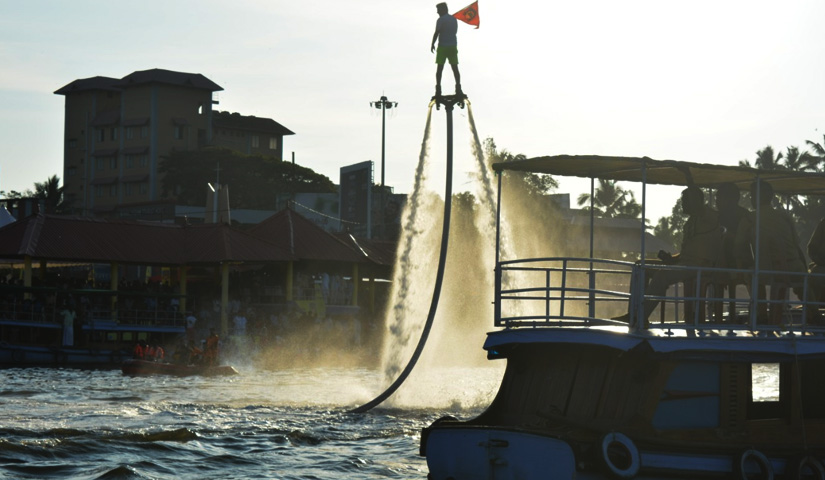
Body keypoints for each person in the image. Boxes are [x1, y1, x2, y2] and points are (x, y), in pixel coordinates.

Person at [627, 186, 722, 324]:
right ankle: (632, 313)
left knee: (662, 275)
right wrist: (671, 259)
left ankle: (640, 317)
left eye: (685, 201)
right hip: (684, 263)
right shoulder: (690, 223)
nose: (682, 204)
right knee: (640, 266)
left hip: (699, 265)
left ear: (693, 202)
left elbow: (698, 204)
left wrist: (688, 176)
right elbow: (685, 253)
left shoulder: (706, 218)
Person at [735, 180, 808, 324]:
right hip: (794, 267)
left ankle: (761, 314)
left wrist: (742, 263)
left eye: (752, 195)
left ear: (757, 197)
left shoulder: (750, 218)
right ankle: (813, 314)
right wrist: (803, 268)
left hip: (767, 269)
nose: (751, 198)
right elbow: (796, 244)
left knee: (751, 275)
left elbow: (738, 245)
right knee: (803, 285)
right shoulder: (784, 216)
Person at [431, 2, 462, 97]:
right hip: (452, 46)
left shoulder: (440, 20)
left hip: (443, 47)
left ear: (443, 10)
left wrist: (432, 43)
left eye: (438, 10)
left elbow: (437, 32)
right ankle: (458, 88)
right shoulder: (454, 19)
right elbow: (455, 31)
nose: (437, 12)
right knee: (455, 68)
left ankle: (438, 89)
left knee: (439, 69)